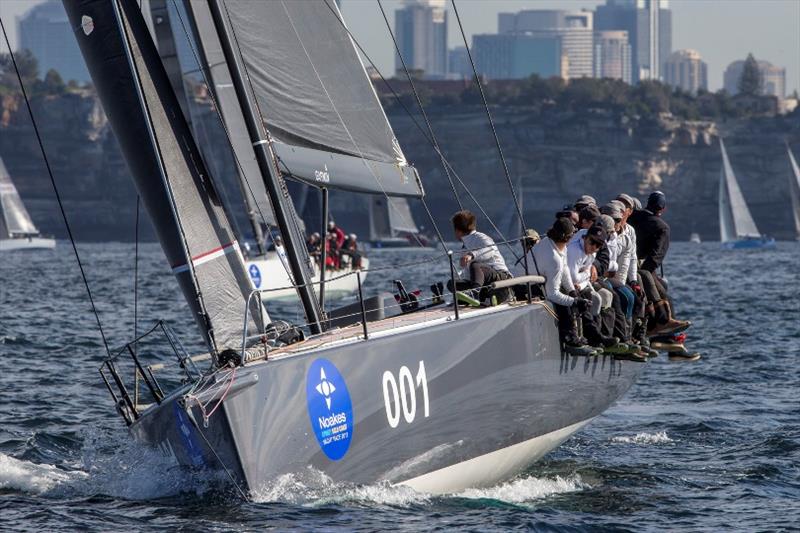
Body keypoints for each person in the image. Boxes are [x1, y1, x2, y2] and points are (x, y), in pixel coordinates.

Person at [525, 218, 594, 355]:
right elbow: (552, 294)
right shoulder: (553, 257)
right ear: (568, 237)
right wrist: (574, 302)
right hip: (526, 286)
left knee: (571, 296)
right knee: (564, 303)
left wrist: (573, 292)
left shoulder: (555, 244)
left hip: (539, 282)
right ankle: (570, 340)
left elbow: (565, 269)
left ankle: (584, 336)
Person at [628, 191, 690, 335]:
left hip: (626, 263)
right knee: (663, 291)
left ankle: (663, 330)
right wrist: (645, 272)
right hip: (641, 267)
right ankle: (666, 331)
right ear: (663, 209)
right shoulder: (662, 227)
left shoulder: (633, 217)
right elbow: (657, 256)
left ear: (648, 203)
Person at [566, 224, 619, 349]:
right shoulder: (574, 252)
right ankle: (595, 337)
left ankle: (597, 337)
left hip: (579, 286)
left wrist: (583, 280)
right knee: (583, 302)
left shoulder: (592, 254)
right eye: (592, 242)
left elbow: (585, 278)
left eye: (599, 245)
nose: (594, 247)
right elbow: (574, 278)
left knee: (595, 299)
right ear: (585, 238)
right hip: (565, 285)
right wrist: (585, 275)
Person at [449, 210, 512, 304]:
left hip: (501, 277)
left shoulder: (481, 237)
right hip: (484, 284)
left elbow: (490, 250)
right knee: (452, 283)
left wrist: (471, 255)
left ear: (458, 231)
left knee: (475, 265)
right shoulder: (464, 247)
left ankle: (474, 294)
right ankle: (470, 297)